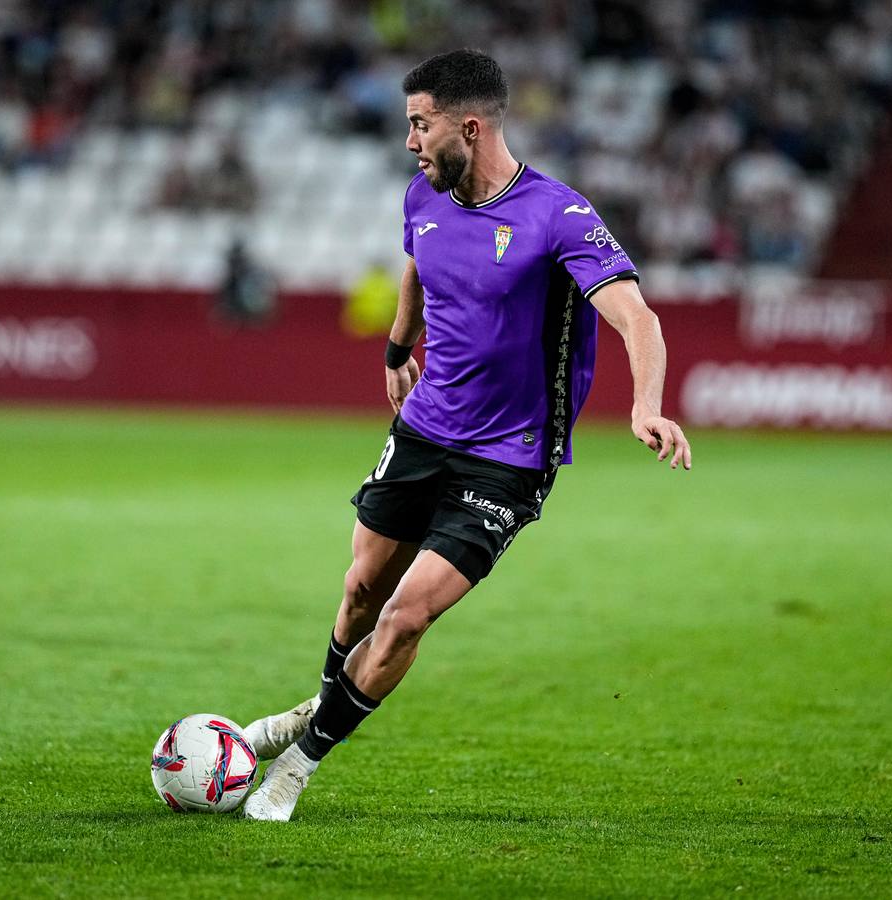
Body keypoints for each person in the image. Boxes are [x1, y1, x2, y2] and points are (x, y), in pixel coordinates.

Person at [241, 49, 691, 821]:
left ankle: (301, 762)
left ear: (470, 126)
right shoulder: (422, 194)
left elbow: (636, 318)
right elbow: (417, 262)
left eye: (420, 124)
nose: (410, 141)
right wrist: (395, 346)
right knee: (358, 596)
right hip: (422, 430)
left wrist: (644, 403)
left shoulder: (558, 215)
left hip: (509, 458)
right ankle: (314, 712)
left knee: (406, 614)